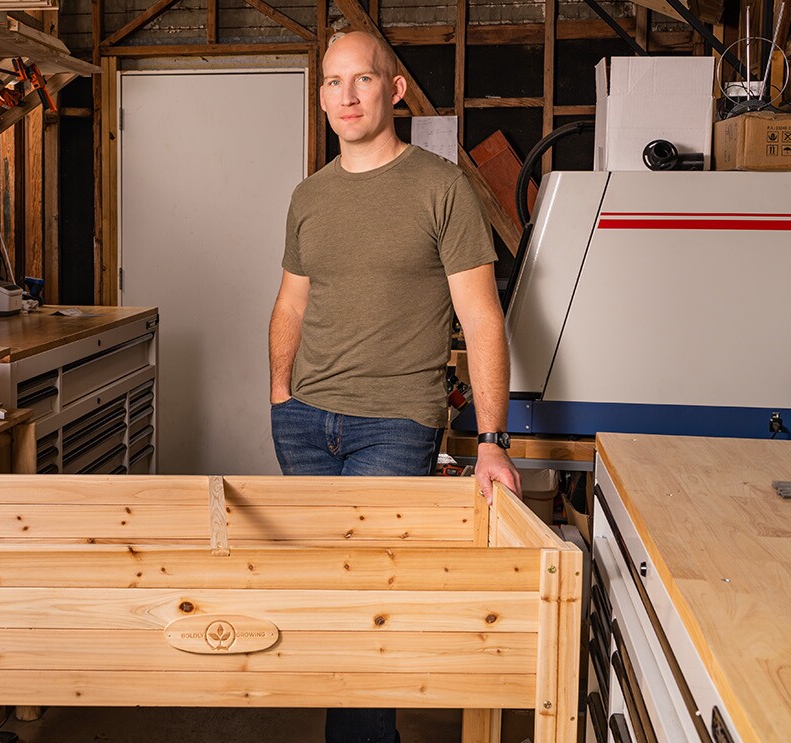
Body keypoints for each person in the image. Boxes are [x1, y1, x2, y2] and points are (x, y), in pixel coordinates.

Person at [267, 30, 521, 743]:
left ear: (396, 89)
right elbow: (291, 304)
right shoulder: (308, 195)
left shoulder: (441, 189)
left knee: (365, 595)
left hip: (396, 424)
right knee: (332, 596)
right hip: (306, 423)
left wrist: (492, 441)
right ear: (321, 96)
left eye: (362, 80)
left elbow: (482, 318)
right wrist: (281, 395)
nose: (345, 96)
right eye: (332, 82)